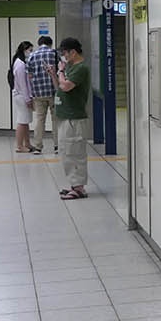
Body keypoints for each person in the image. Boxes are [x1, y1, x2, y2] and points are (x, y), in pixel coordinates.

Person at [55, 37, 91, 200]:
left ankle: (79, 188)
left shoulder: (81, 68)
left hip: (74, 118)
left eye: (65, 52)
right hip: (66, 116)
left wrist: (61, 72)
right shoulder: (71, 67)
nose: (63, 56)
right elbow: (60, 86)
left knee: (74, 152)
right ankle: (74, 185)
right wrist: (55, 74)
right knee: (67, 152)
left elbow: (66, 86)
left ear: (73, 52)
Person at [26, 35, 57, 154]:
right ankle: (57, 146)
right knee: (56, 119)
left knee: (40, 120)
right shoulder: (54, 54)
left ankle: (38, 147)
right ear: (50, 44)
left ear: (39, 44)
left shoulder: (32, 55)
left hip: (38, 94)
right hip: (54, 92)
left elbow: (29, 76)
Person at [10, 41, 34, 152]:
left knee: (25, 121)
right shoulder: (20, 65)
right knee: (22, 121)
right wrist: (28, 99)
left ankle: (27, 143)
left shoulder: (21, 62)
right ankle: (19, 146)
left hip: (22, 95)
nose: (31, 53)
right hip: (21, 96)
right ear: (24, 50)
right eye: (30, 50)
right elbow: (23, 84)